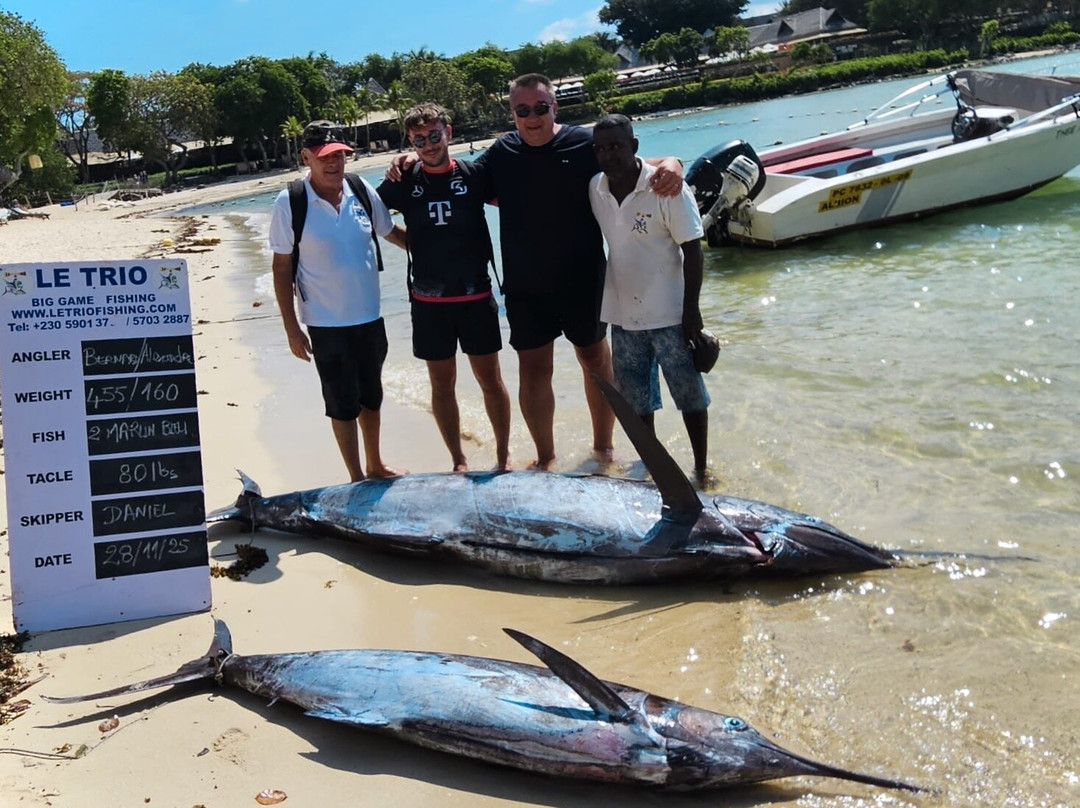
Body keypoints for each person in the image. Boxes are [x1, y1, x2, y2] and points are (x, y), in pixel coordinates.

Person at [388, 73, 684, 470]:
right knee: (534, 369)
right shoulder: (502, 152)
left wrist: (673, 162)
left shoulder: (582, 142)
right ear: (512, 113)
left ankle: (604, 447)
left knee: (596, 362)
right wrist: (408, 160)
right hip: (526, 286)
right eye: (522, 110)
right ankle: (545, 457)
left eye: (540, 108)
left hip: (584, 278)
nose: (532, 117)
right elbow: (452, 176)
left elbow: (636, 167)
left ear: (554, 107)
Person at [268, 120, 407, 482]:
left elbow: (389, 232)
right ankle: (356, 475)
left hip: (370, 316)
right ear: (306, 157)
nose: (334, 163)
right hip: (326, 323)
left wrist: (440, 248)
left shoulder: (360, 190)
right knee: (341, 404)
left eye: (341, 155)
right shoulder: (292, 202)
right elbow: (282, 267)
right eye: (325, 156)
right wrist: (291, 329)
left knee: (371, 396)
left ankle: (375, 463)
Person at [376, 103, 512, 471]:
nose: (429, 144)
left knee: (491, 380)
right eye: (419, 139)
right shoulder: (403, 180)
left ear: (448, 133)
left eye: (435, 135)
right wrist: (407, 241)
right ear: (410, 141)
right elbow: (369, 211)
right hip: (428, 302)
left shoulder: (474, 173)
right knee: (442, 385)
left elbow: (521, 199)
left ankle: (503, 457)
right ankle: (458, 461)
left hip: (476, 296)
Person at [587, 114, 711, 482]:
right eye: (601, 148)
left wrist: (692, 313)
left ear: (635, 146)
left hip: (672, 314)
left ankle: (701, 469)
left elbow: (694, 249)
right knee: (637, 401)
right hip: (625, 316)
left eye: (616, 146)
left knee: (689, 396)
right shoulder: (596, 188)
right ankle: (654, 469)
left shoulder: (666, 189)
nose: (609, 155)